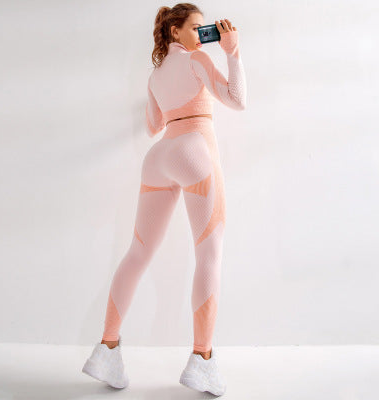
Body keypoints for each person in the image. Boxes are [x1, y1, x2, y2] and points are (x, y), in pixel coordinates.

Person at [82, 3, 246, 396]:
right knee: (209, 254)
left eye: (204, 29)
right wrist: (233, 52)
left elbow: (153, 125)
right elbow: (236, 99)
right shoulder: (198, 60)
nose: (202, 35)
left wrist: (169, 98)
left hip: (158, 158)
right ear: (175, 31)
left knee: (137, 252)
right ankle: (202, 359)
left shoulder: (154, 76)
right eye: (196, 28)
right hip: (194, 151)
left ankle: (107, 350)